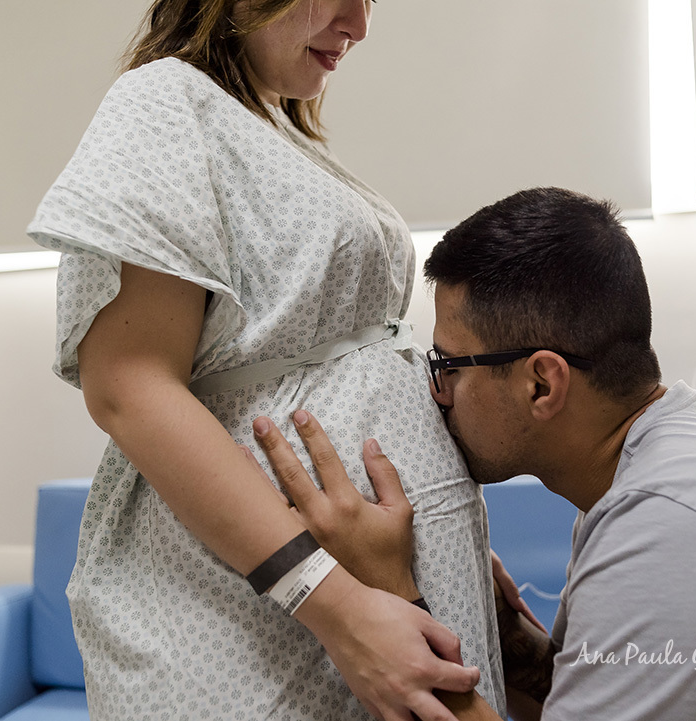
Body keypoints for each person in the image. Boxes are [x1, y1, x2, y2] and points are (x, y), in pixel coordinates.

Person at [250, 187, 696, 720]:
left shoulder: (671, 531)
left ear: (542, 381)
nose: (437, 396)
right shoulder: (672, 473)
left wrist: (389, 592)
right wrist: (507, 633)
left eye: (448, 366)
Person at [25, 1, 506, 719]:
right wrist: (336, 605)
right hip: (259, 616)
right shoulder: (165, 101)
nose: (359, 23)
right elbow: (128, 388)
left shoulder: (271, 126)